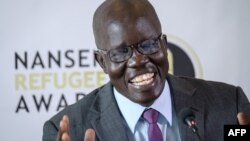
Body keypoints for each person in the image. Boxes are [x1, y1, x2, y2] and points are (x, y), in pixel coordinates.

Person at [42, 0, 250, 141]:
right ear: (102, 62)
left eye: (149, 44)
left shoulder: (229, 106)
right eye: (121, 52)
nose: (139, 60)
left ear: (164, 45)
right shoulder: (70, 130)